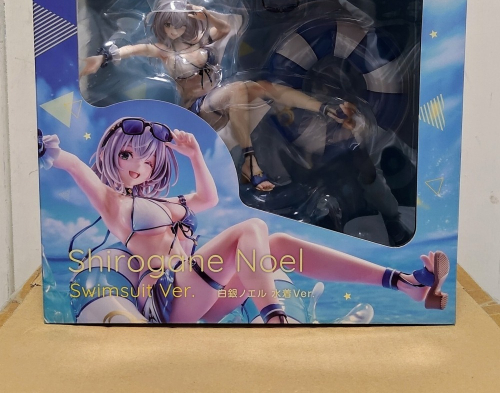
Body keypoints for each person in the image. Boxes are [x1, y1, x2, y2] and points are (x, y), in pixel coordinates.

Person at [39, 118, 449, 324]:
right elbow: (73, 164)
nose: (137, 165)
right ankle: (276, 318)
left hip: (203, 295)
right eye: (127, 155)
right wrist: (48, 150)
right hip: (167, 300)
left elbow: (208, 198)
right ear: (112, 154)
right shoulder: (113, 204)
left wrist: (194, 154)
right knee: (252, 228)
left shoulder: (166, 200)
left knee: (279, 244)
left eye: (147, 159)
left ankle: (403, 283)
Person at [79, 0, 356, 192]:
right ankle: (250, 162)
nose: (175, 30)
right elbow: (132, 49)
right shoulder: (162, 51)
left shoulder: (202, 40)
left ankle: (325, 108)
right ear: (160, 24)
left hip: (219, 100)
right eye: (169, 24)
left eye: (179, 23)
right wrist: (102, 58)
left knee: (261, 88)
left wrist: (204, 12)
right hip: (197, 111)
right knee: (239, 90)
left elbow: (225, 28)